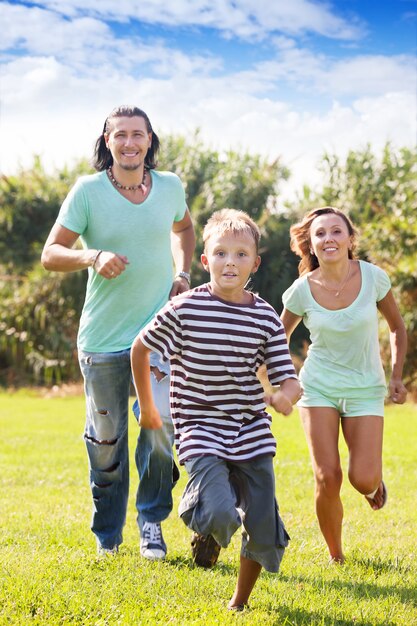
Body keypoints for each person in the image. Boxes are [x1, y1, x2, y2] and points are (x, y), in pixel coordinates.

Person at [41, 105, 195, 559]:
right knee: (106, 445)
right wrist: (92, 257)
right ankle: (108, 533)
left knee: (161, 427)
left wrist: (182, 273)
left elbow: (183, 227)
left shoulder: (169, 187)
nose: (130, 143)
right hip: (103, 342)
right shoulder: (87, 192)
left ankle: (151, 522)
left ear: (150, 140)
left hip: (157, 339)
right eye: (120, 135)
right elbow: (51, 253)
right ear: (107, 141)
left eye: (138, 135)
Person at [131, 208, 301, 610]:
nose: (231, 262)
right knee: (222, 513)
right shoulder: (185, 308)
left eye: (242, 254)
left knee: (262, 526)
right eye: (221, 253)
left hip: (250, 428)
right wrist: (150, 408)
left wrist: (285, 397)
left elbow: (288, 378)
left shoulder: (265, 318)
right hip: (200, 425)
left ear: (255, 263)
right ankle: (208, 525)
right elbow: (141, 348)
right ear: (205, 260)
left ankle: (238, 603)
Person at [281, 206, 407, 564]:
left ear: (351, 240)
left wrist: (396, 376)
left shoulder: (373, 278)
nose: (328, 239)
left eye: (336, 232)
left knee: (361, 477)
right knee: (327, 474)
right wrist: (285, 379)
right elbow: (277, 337)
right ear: (311, 244)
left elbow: (397, 327)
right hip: (318, 386)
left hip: (366, 387)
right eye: (320, 234)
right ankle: (336, 555)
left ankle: (373, 486)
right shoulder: (301, 290)